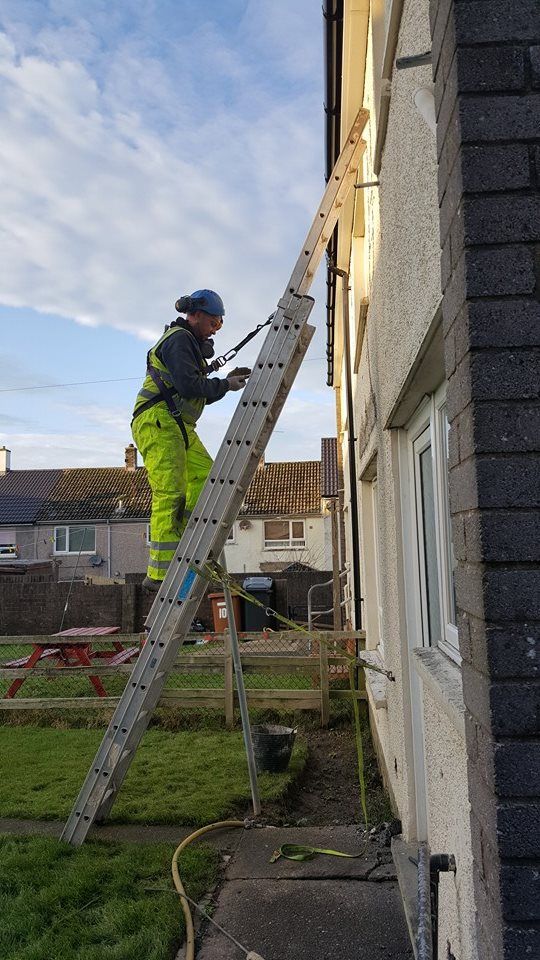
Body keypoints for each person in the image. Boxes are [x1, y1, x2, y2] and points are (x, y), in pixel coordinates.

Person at [131, 289, 250, 591]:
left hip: (177, 424)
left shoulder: (188, 346)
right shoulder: (178, 340)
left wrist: (224, 383)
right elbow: (188, 385)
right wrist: (225, 384)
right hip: (158, 422)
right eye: (213, 322)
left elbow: (193, 389)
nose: (216, 329)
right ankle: (158, 576)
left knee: (207, 479)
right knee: (171, 493)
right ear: (195, 315)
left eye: (220, 324)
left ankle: (185, 543)